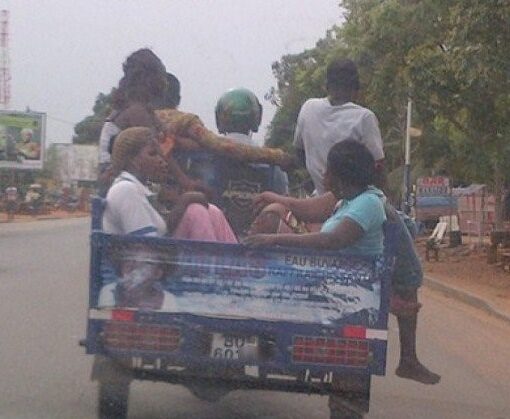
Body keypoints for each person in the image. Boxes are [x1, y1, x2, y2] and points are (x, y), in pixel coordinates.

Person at [102, 126, 237, 243]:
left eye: (161, 155)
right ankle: (208, 269)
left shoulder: (140, 189)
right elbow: (148, 246)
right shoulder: (126, 189)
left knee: (212, 211)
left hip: (160, 259)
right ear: (133, 160)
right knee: (195, 211)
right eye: (153, 154)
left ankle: (235, 265)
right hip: (145, 267)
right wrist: (183, 202)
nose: (162, 161)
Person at [293, 58, 385, 195]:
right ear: (356, 88)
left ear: (327, 86)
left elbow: (299, 151)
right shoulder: (364, 118)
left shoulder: (308, 108)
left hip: (319, 197)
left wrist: (315, 179)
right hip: (355, 200)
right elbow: (379, 167)